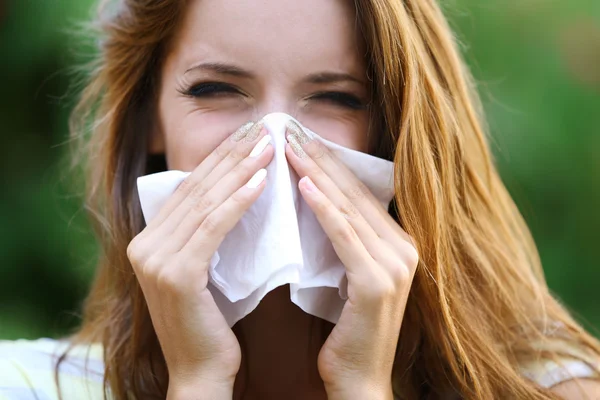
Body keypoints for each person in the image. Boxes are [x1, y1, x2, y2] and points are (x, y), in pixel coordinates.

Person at [1, 0, 599, 399]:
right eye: (216, 89)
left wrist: (362, 385)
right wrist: (198, 381)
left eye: (338, 98)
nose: (273, 141)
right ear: (149, 115)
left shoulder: (556, 388)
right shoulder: (26, 385)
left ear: (397, 127)